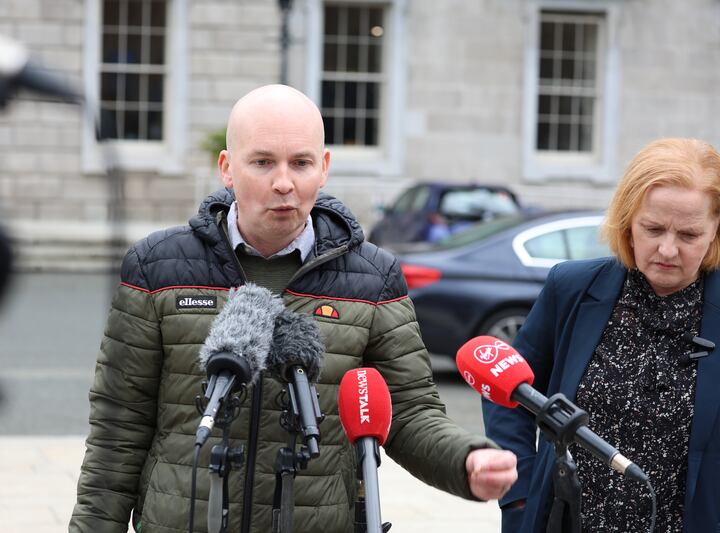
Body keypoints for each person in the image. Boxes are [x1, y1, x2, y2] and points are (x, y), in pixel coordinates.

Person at [69, 84, 517, 533]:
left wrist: (466, 460)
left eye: (300, 163)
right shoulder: (156, 265)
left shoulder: (374, 277)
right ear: (227, 168)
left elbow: (409, 412)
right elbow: (118, 431)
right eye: (263, 162)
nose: (283, 182)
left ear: (323, 169)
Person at [483, 138, 720, 533]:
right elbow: (508, 394)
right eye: (653, 228)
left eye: (689, 235)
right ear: (628, 221)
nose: (667, 248)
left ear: (715, 230)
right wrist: (519, 497)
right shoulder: (571, 288)